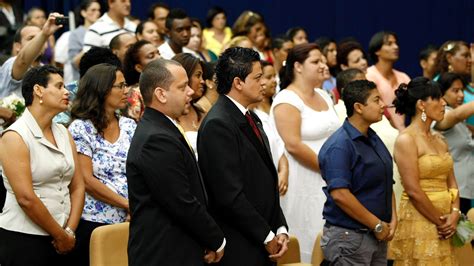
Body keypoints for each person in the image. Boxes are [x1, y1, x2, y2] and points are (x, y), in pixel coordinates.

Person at [127, 59, 225, 265]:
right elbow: (181, 201)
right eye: (182, 87)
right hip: (165, 253)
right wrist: (216, 240)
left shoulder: (162, 127)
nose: (190, 92)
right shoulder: (156, 138)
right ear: (161, 94)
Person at [198, 47, 289, 265]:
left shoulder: (251, 117)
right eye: (258, 78)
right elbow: (228, 195)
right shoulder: (218, 124)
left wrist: (280, 227)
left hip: (264, 240)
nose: (264, 83)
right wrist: (266, 236)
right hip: (240, 246)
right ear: (238, 83)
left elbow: (267, 180)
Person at [0, 65, 84, 265]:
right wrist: (61, 235)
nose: (66, 92)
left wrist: (69, 230)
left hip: (66, 234)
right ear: (38, 90)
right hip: (25, 238)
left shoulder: (64, 132)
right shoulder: (15, 136)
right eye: (59, 86)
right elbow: (26, 198)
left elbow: (78, 185)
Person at [271, 43, 340, 262]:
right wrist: (330, 168)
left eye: (323, 60)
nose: (323, 65)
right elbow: (293, 145)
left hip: (331, 177)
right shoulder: (286, 99)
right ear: (298, 66)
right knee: (307, 230)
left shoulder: (324, 94)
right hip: (304, 178)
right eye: (315, 61)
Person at [319, 79, 396, 265]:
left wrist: (393, 219)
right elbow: (340, 194)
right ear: (359, 107)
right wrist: (376, 224)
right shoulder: (340, 145)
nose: (383, 105)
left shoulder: (372, 137)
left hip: (377, 234)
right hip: (349, 237)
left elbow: (386, 181)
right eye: (376, 100)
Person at [68, 64, 135, 266]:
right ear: (102, 89)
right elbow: (86, 180)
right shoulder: (81, 128)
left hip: (131, 218)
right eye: (120, 86)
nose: (126, 91)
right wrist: (126, 204)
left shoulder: (130, 125)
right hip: (95, 221)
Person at [390, 77, 460, 265]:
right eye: (437, 98)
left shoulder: (440, 139)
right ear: (422, 105)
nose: (443, 103)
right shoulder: (406, 140)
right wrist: (442, 222)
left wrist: (455, 214)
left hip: (446, 224)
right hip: (421, 222)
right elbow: (413, 190)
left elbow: (452, 183)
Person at [434, 72, 474, 213]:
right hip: (452, 192)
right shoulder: (442, 114)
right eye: (455, 90)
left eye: (462, 90)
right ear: (442, 94)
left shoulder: (461, 121)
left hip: (464, 190)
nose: (461, 95)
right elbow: (455, 116)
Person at [0, 13, 64, 99]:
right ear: (17, 47)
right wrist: (44, 34)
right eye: (31, 38)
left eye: (41, 40)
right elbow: (22, 61)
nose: (38, 43)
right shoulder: (11, 63)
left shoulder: (46, 69)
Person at [250, 60, 289, 196]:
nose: (274, 81)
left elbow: (279, 144)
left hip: (283, 173)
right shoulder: (253, 113)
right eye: (268, 77)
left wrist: (284, 170)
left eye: (275, 76)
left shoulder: (279, 104)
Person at [366, 31, 410, 131]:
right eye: (389, 44)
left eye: (395, 43)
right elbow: (378, 108)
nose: (396, 47)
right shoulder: (369, 75)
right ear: (377, 51)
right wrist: (396, 132)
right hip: (380, 134)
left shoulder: (403, 77)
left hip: (402, 132)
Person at [172, 53, 205, 157]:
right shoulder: (171, 116)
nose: (202, 81)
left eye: (202, 76)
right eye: (198, 75)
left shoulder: (201, 111)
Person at [122, 40, 160, 121]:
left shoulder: (165, 84)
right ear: (139, 67)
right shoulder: (134, 93)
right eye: (151, 56)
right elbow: (132, 127)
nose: (159, 57)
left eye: (158, 53)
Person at [68, 0, 102, 82]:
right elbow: (74, 63)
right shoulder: (76, 34)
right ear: (83, 13)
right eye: (93, 10)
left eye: (99, 10)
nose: (97, 13)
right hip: (84, 81)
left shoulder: (103, 30)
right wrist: (90, 45)